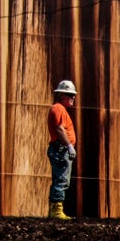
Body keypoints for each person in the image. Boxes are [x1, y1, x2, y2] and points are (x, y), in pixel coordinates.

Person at [46, 79, 77, 220]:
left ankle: (54, 210)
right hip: (61, 148)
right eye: (70, 95)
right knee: (62, 180)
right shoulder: (58, 108)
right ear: (62, 96)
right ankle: (56, 211)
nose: (73, 98)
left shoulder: (60, 109)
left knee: (60, 179)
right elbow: (59, 128)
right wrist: (69, 145)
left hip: (60, 148)